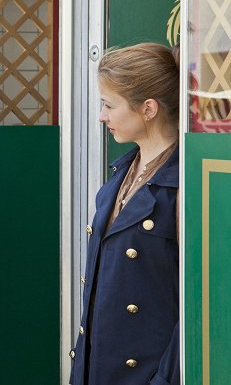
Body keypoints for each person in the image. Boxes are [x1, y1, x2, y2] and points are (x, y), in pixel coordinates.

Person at [70, 43, 180, 384]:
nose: (102, 116)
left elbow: (196, 304)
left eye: (108, 105)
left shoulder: (183, 184)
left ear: (148, 108)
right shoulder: (123, 172)